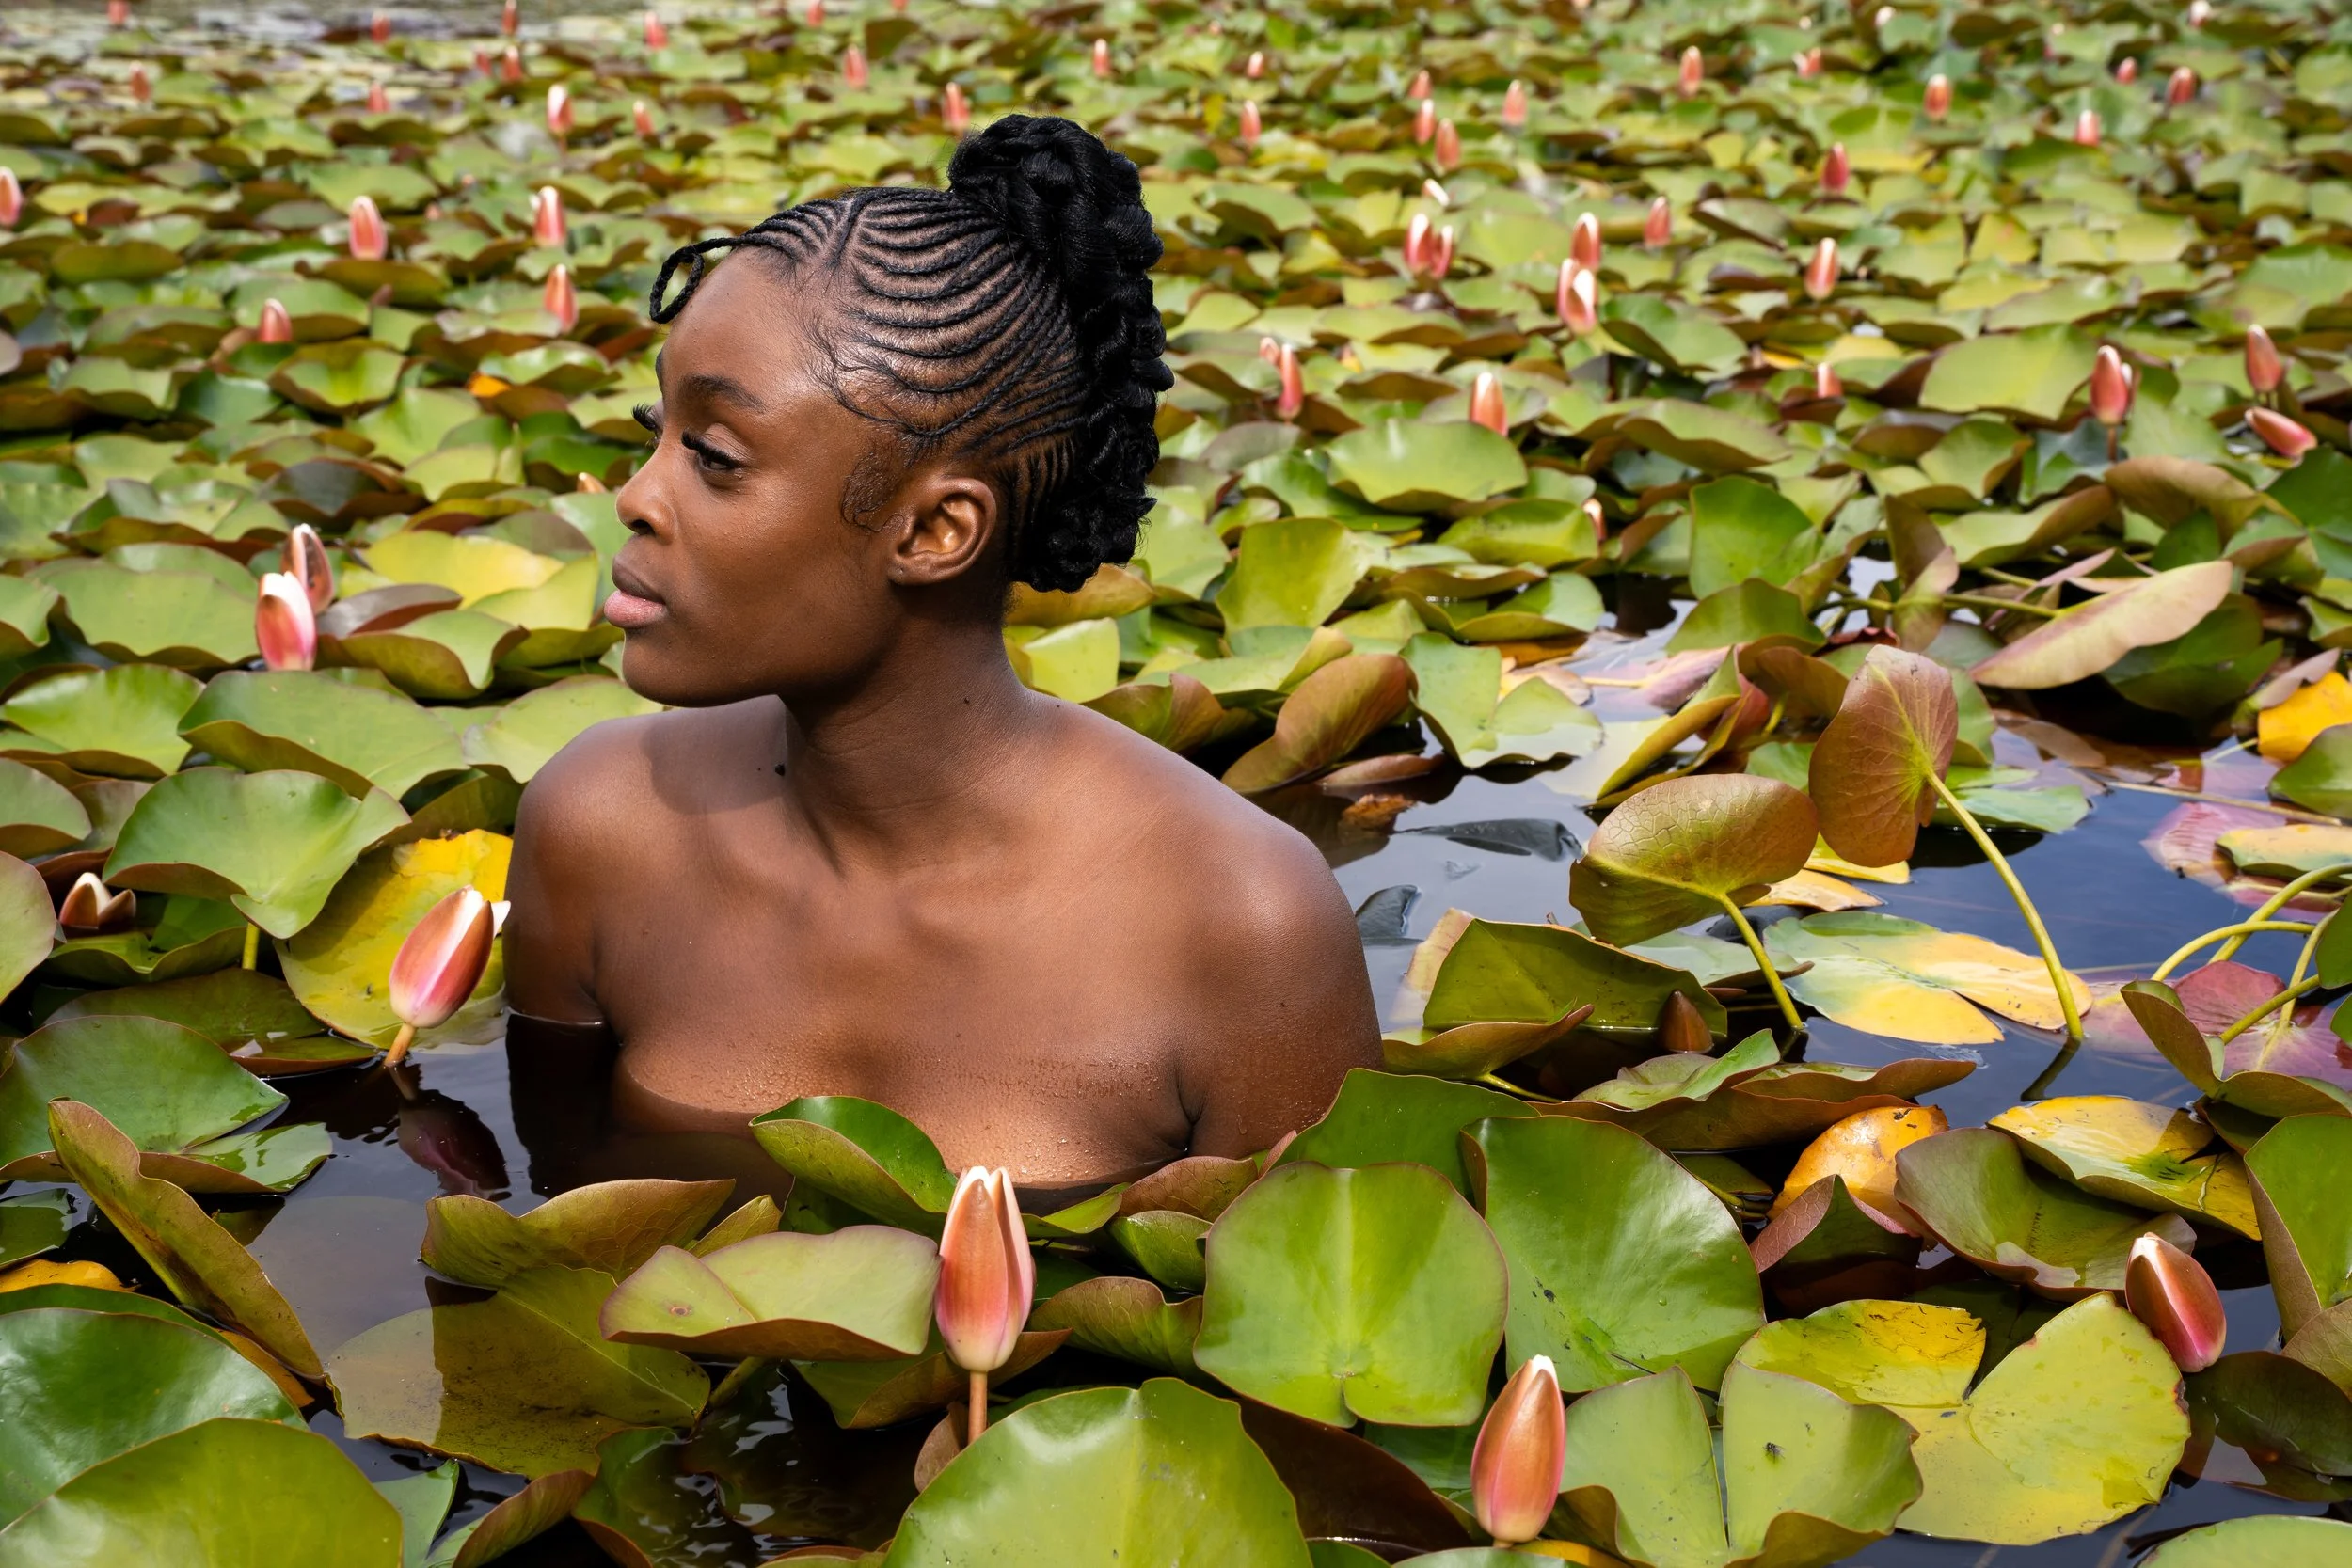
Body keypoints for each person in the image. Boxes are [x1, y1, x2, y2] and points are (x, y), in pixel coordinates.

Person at [504, 115, 1379, 1190]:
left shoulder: (1245, 926)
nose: (636, 497)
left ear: (932, 533)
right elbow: (536, 1237)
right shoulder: (596, 826)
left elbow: (1319, 1321)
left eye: (715, 456)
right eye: (655, 431)